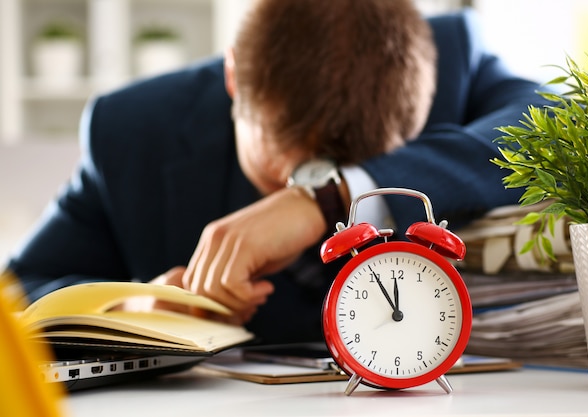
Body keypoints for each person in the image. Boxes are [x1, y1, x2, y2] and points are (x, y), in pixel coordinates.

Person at [4, 1, 549, 343]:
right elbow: (17, 294)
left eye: (337, 169)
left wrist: (328, 200)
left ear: (423, 94)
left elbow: (563, 123)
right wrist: (128, 307)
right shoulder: (132, 130)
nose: (297, 183)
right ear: (234, 78)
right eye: (278, 176)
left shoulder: (449, 54)